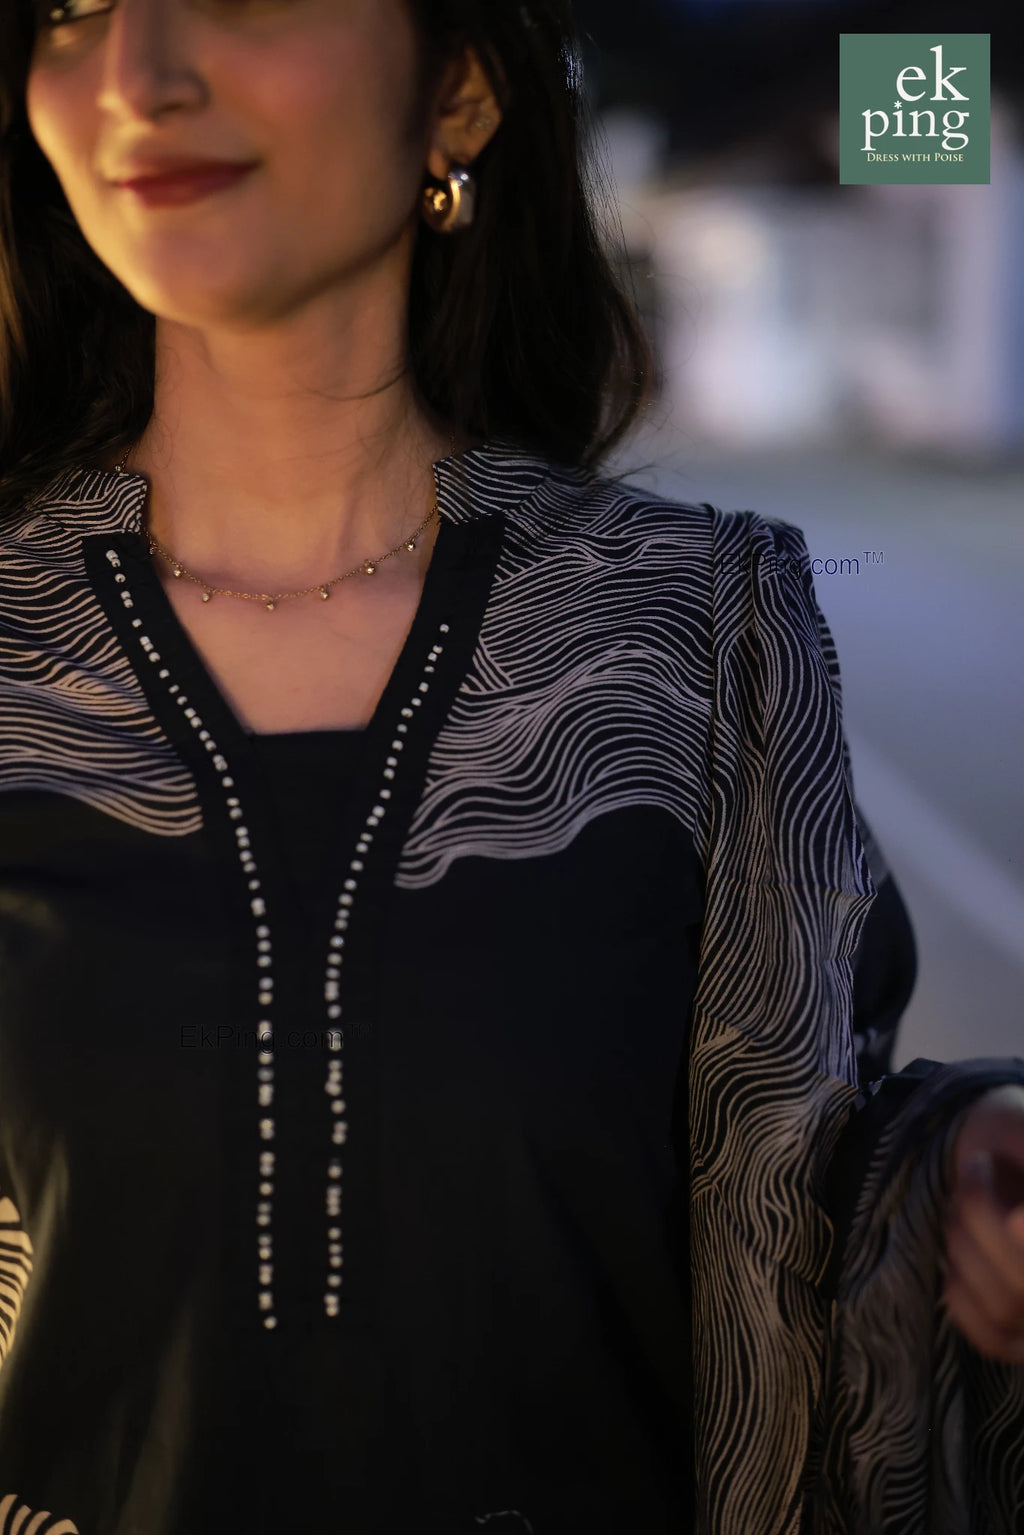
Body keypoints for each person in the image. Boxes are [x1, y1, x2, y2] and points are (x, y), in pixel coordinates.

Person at [1, 0, 1022, 1531]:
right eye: (74, 9)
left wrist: (969, 1188)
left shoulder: (699, 626)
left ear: (461, 93)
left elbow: (809, 1182)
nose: (139, 76)